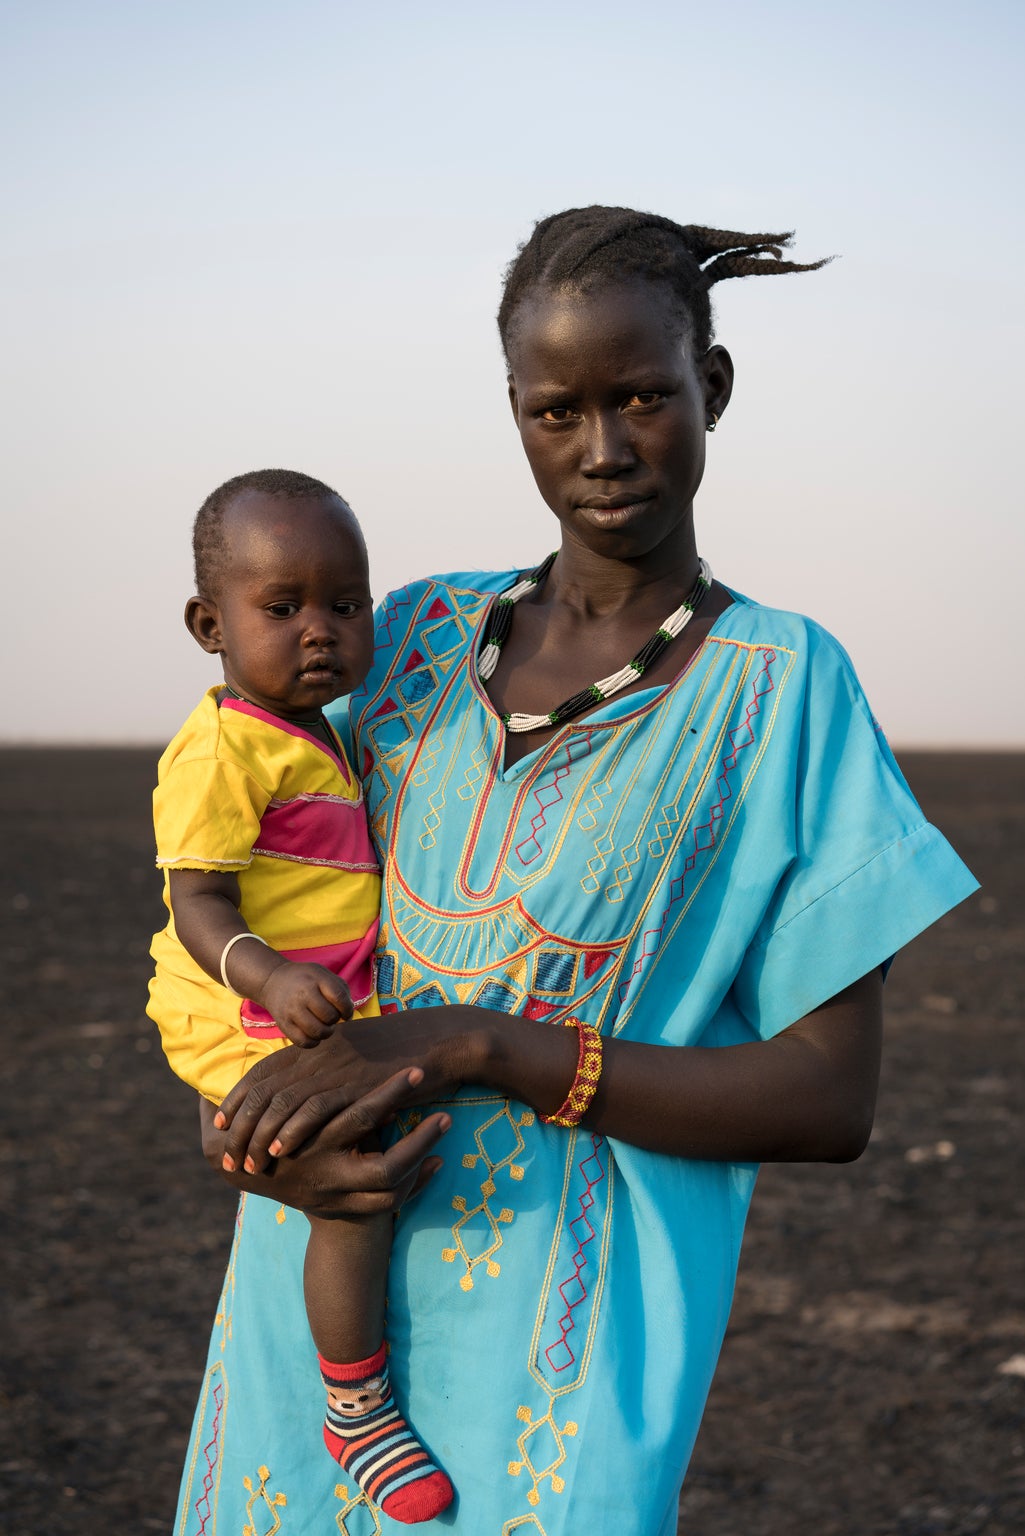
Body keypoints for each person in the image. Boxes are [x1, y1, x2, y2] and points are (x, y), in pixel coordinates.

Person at [177, 208, 977, 1536]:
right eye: (557, 412)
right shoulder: (404, 641)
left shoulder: (784, 689)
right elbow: (247, 921)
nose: (603, 449)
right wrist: (249, 1145)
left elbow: (830, 1101)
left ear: (710, 387)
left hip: (571, 1358)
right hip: (317, 1298)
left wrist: (487, 1043)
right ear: (513, 415)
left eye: (644, 398)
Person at [147, 468, 454, 1523]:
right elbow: (197, 900)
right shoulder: (223, 746)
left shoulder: (319, 731)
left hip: (293, 1000)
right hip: (237, 1006)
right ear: (209, 623)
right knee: (352, 1178)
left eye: (344, 604)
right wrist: (273, 977)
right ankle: (354, 1404)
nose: (318, 631)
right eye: (281, 609)